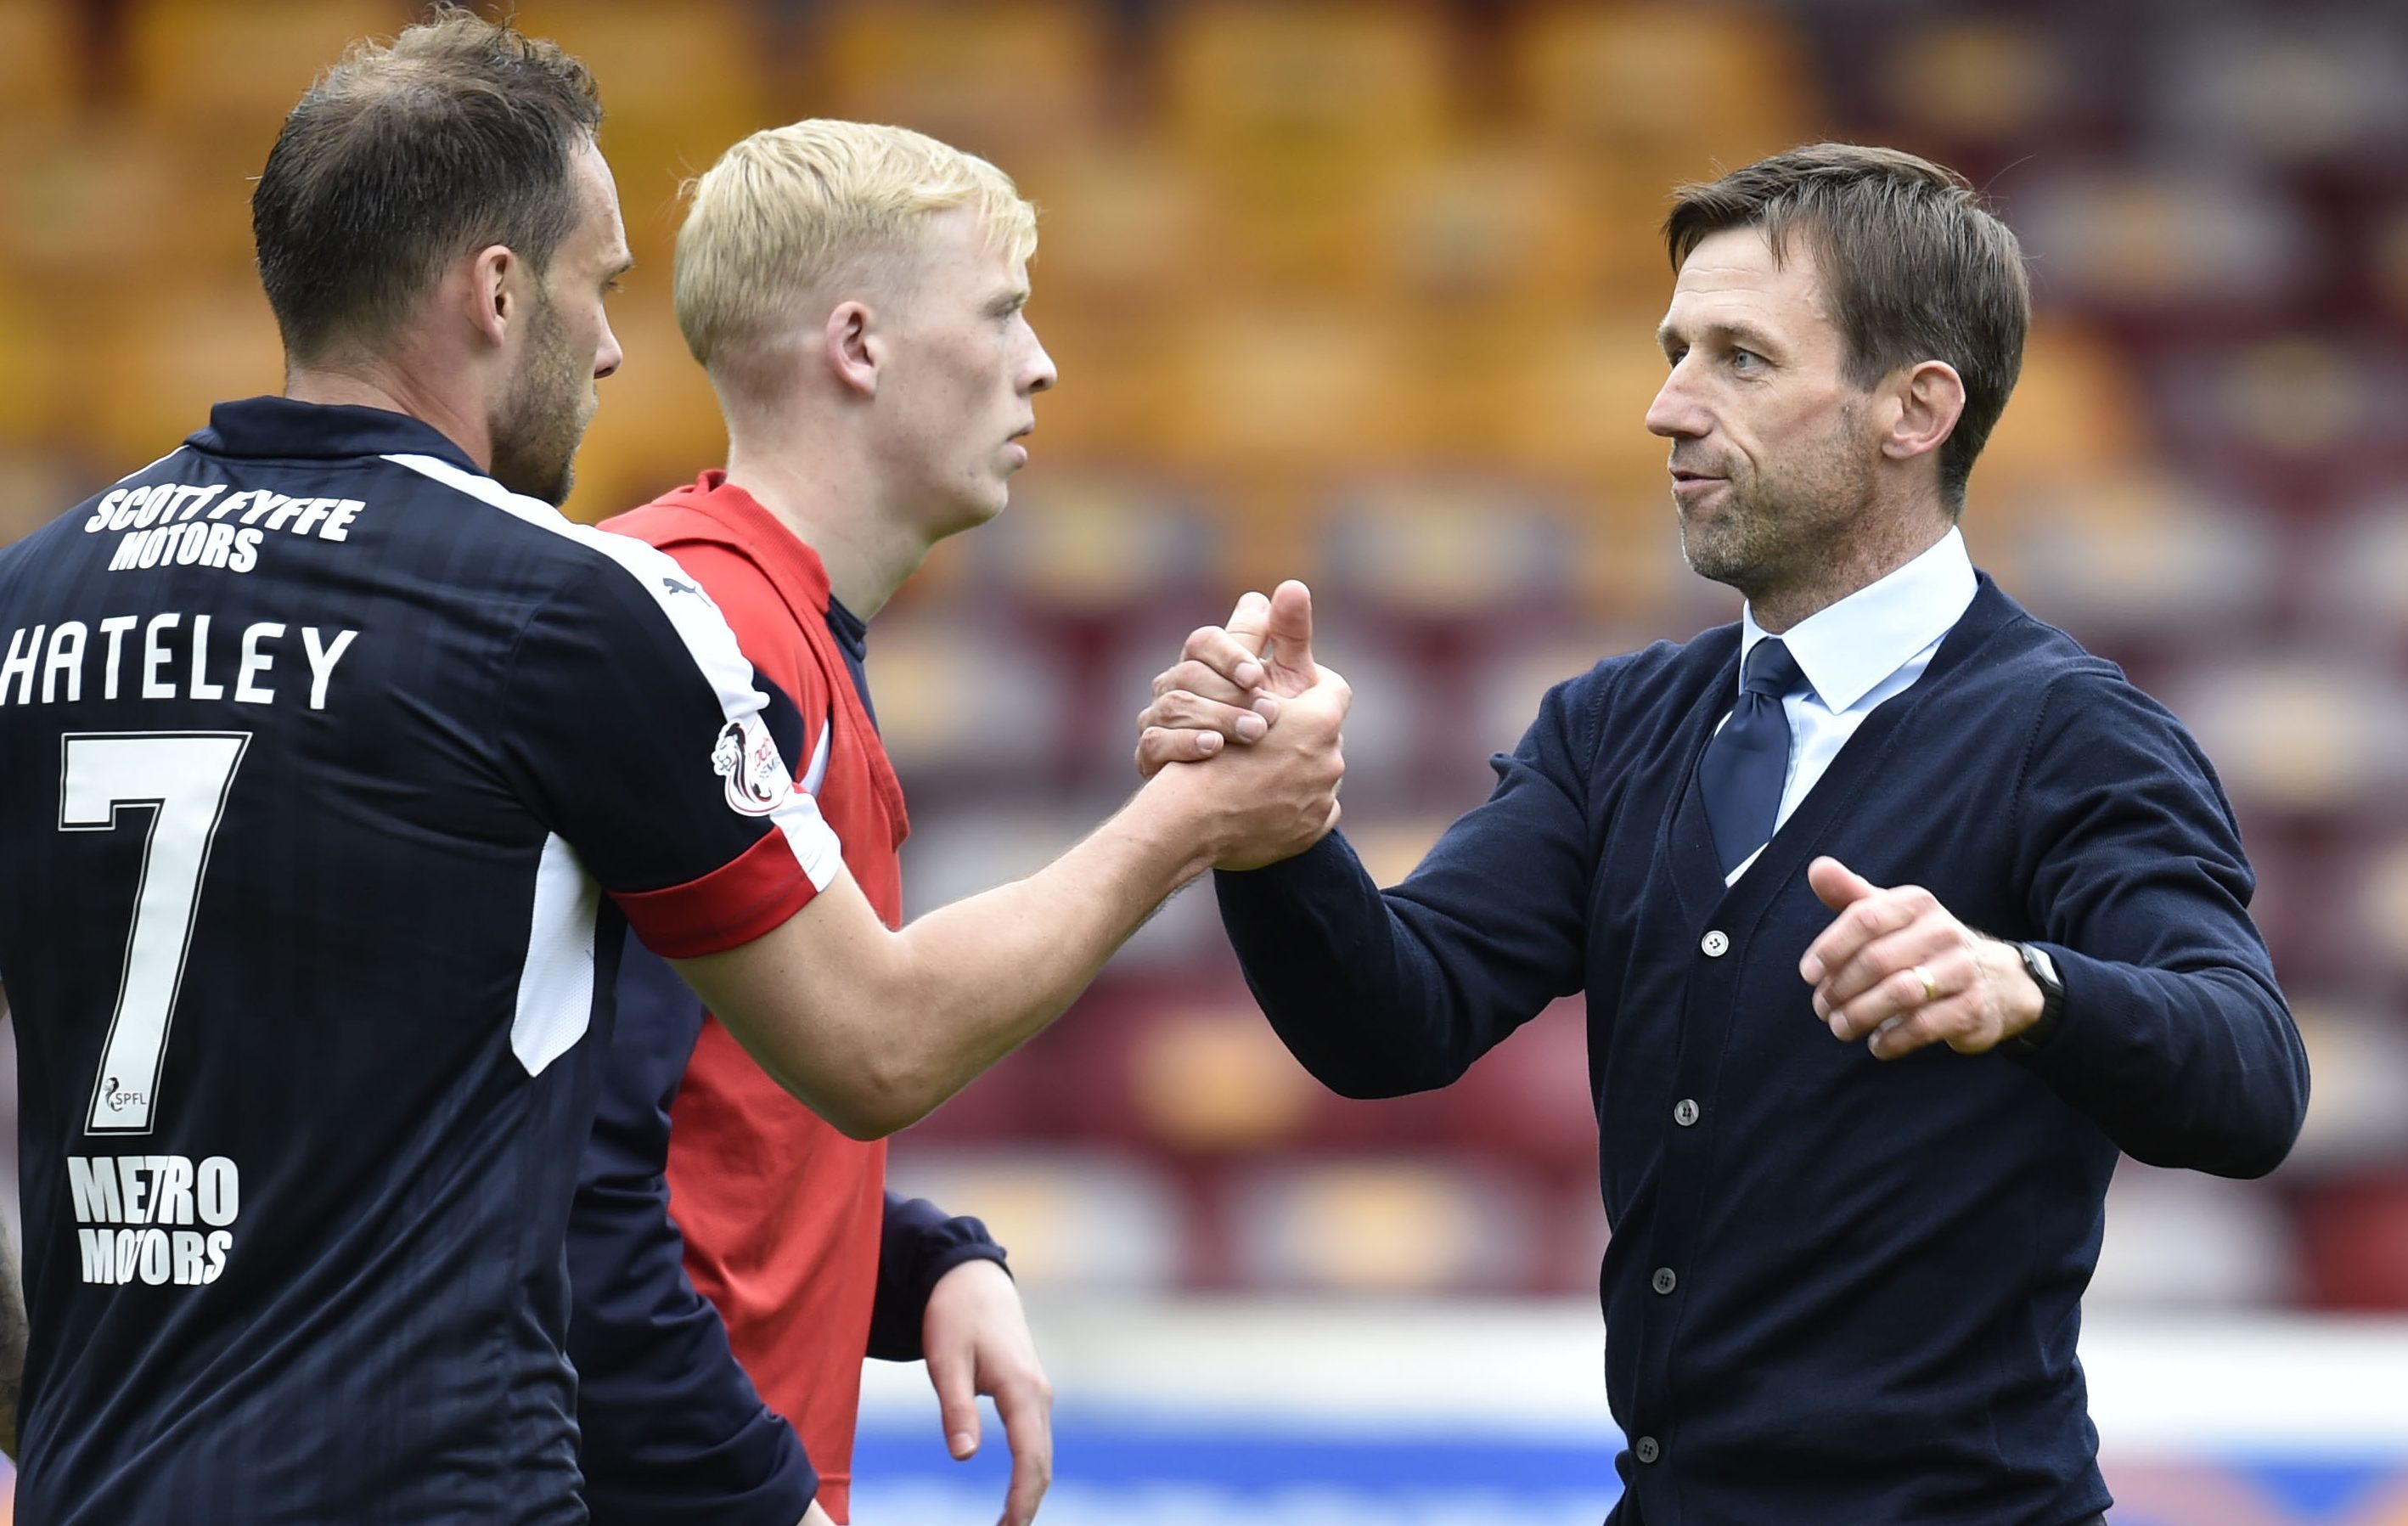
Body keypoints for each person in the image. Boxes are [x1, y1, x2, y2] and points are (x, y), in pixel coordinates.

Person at [0, 13, 1342, 1524]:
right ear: (497, 292)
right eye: (600, 285)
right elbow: (856, 1046)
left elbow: (483, 1091)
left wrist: (46, 1405)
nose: (621, 343)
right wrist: (1194, 820)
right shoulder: (564, 610)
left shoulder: (37, 591)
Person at [1137, 144, 2310, 1526]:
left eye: (1739, 359)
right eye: (1674, 348)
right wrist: (1279, 832)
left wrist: (2027, 984)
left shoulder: (2076, 736)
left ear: (1915, 407)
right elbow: (1396, 1019)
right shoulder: (1614, 722)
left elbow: (2251, 1075)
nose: (1665, 406)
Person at [568, 122, 1064, 1526]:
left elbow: (716, 1118)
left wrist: (920, 1261)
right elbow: (567, 1173)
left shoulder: (746, 617)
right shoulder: (710, 631)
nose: (1039, 364)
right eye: (1003, 311)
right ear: (859, 343)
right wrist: (749, 1495)